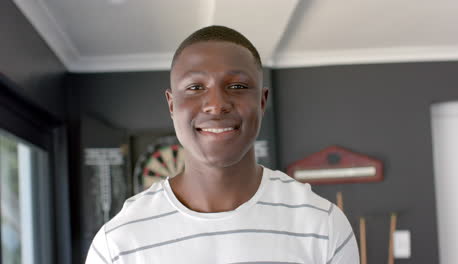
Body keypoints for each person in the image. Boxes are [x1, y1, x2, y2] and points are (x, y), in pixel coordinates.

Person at [86, 25, 359, 263]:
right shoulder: (118, 243)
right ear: (172, 104)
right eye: (195, 87)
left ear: (262, 103)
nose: (216, 105)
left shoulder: (323, 225)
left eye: (238, 86)